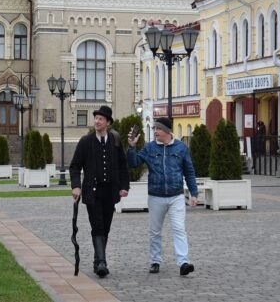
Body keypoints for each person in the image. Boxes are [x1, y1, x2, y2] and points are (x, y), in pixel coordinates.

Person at [126, 117, 198, 276]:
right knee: (155, 232)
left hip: (176, 196)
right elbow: (134, 163)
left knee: (179, 229)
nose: (155, 132)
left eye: (157, 129)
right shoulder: (149, 148)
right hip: (156, 196)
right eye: (154, 129)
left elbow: (189, 171)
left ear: (166, 130)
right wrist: (131, 147)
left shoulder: (181, 148)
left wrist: (194, 193)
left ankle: (183, 262)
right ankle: (155, 261)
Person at [70, 105, 129, 278]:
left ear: (108, 122)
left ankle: (97, 261)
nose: (97, 121)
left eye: (101, 119)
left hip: (110, 192)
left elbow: (123, 165)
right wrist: (76, 186)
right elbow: (75, 166)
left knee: (106, 227)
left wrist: (124, 186)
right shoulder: (86, 142)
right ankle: (102, 262)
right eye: (96, 118)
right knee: (97, 225)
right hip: (92, 192)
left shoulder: (115, 140)